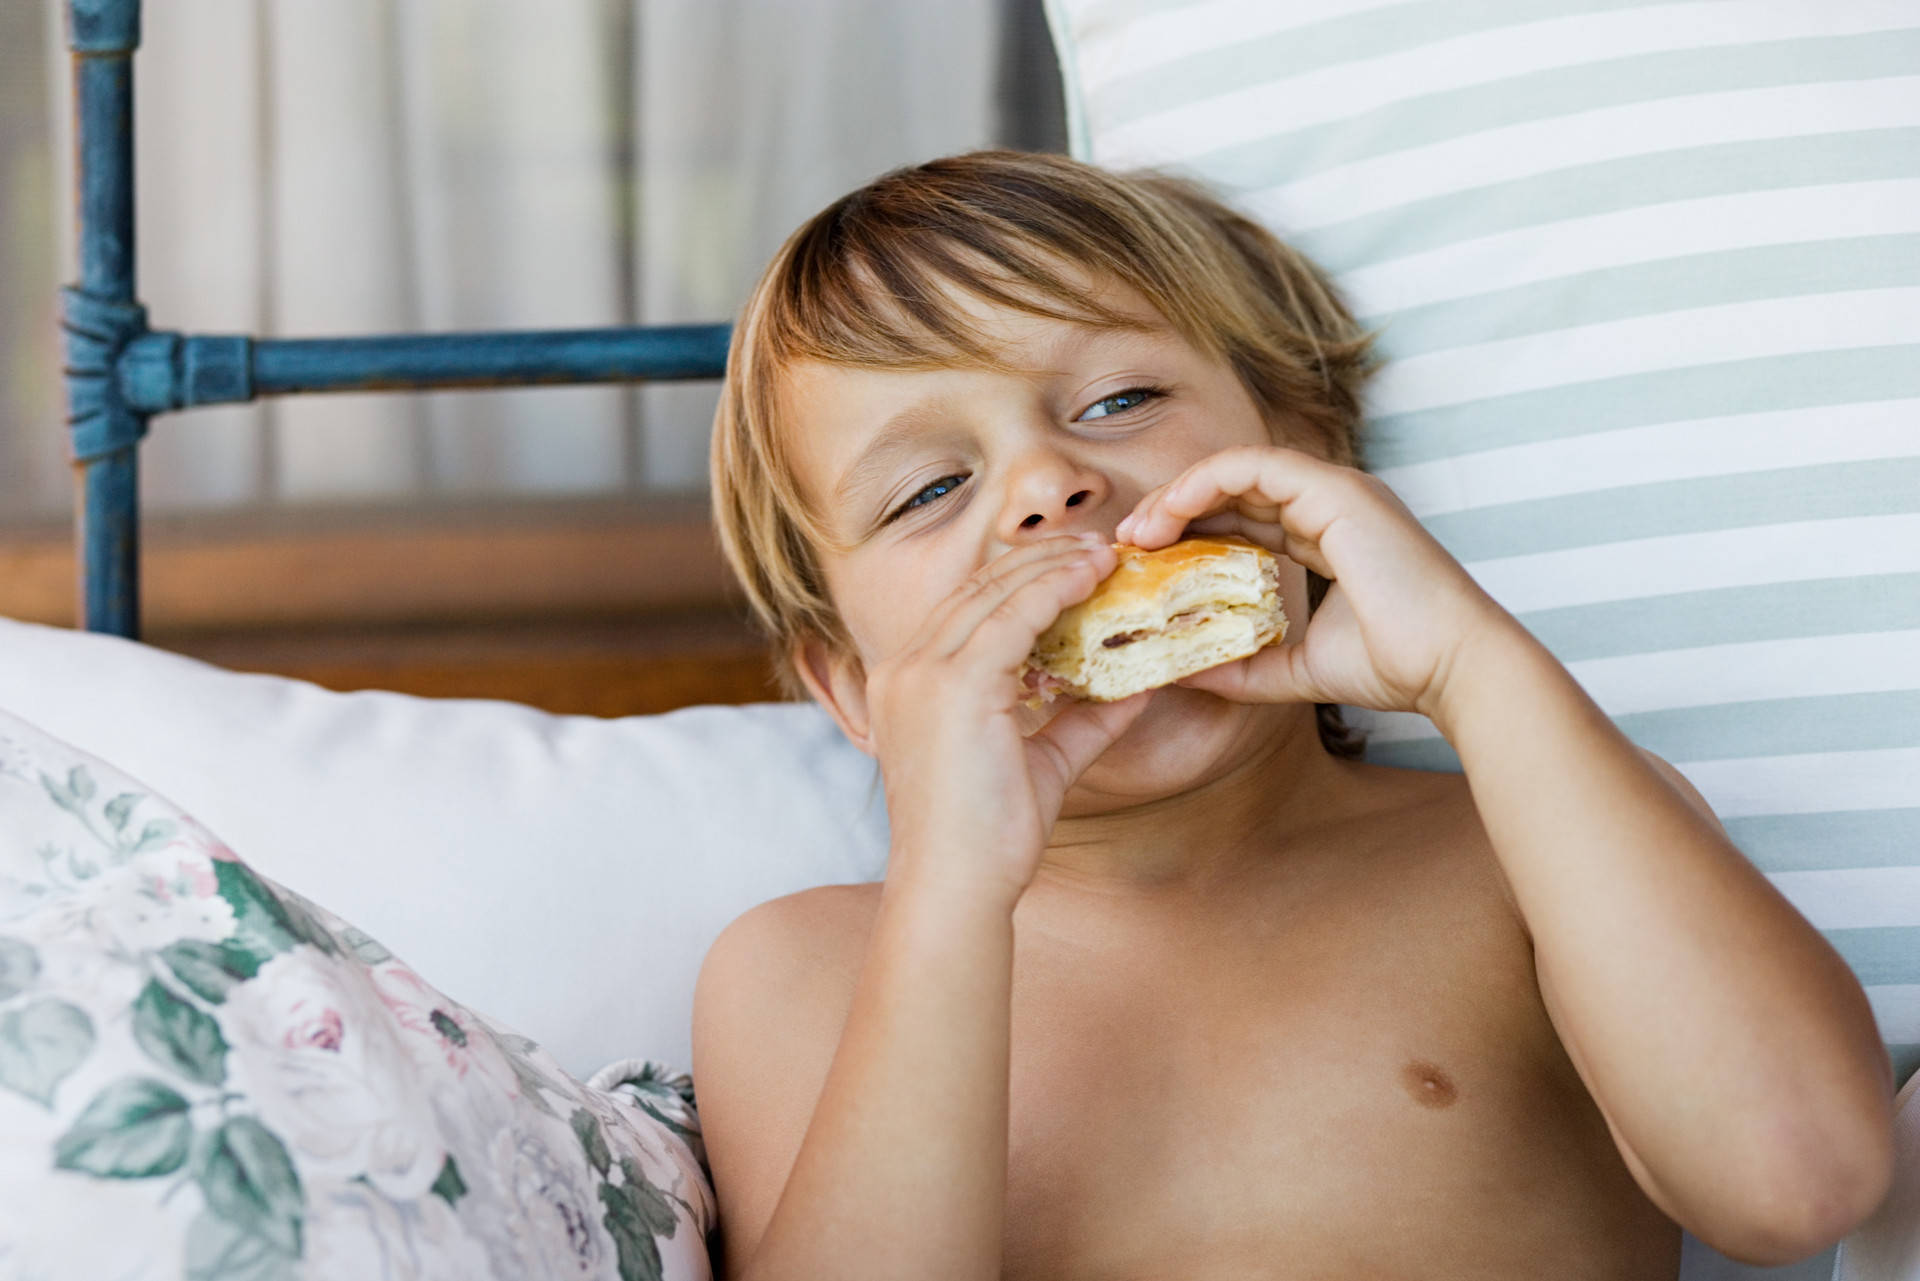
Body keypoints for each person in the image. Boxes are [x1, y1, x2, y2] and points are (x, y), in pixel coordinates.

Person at [690, 149, 1894, 1279]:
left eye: (1118, 401)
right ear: (854, 688)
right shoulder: (804, 972)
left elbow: (1798, 1182)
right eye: (931, 489)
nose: (1049, 485)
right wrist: (953, 881)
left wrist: (1470, 664)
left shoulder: (1536, 849)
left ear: (1309, 464)